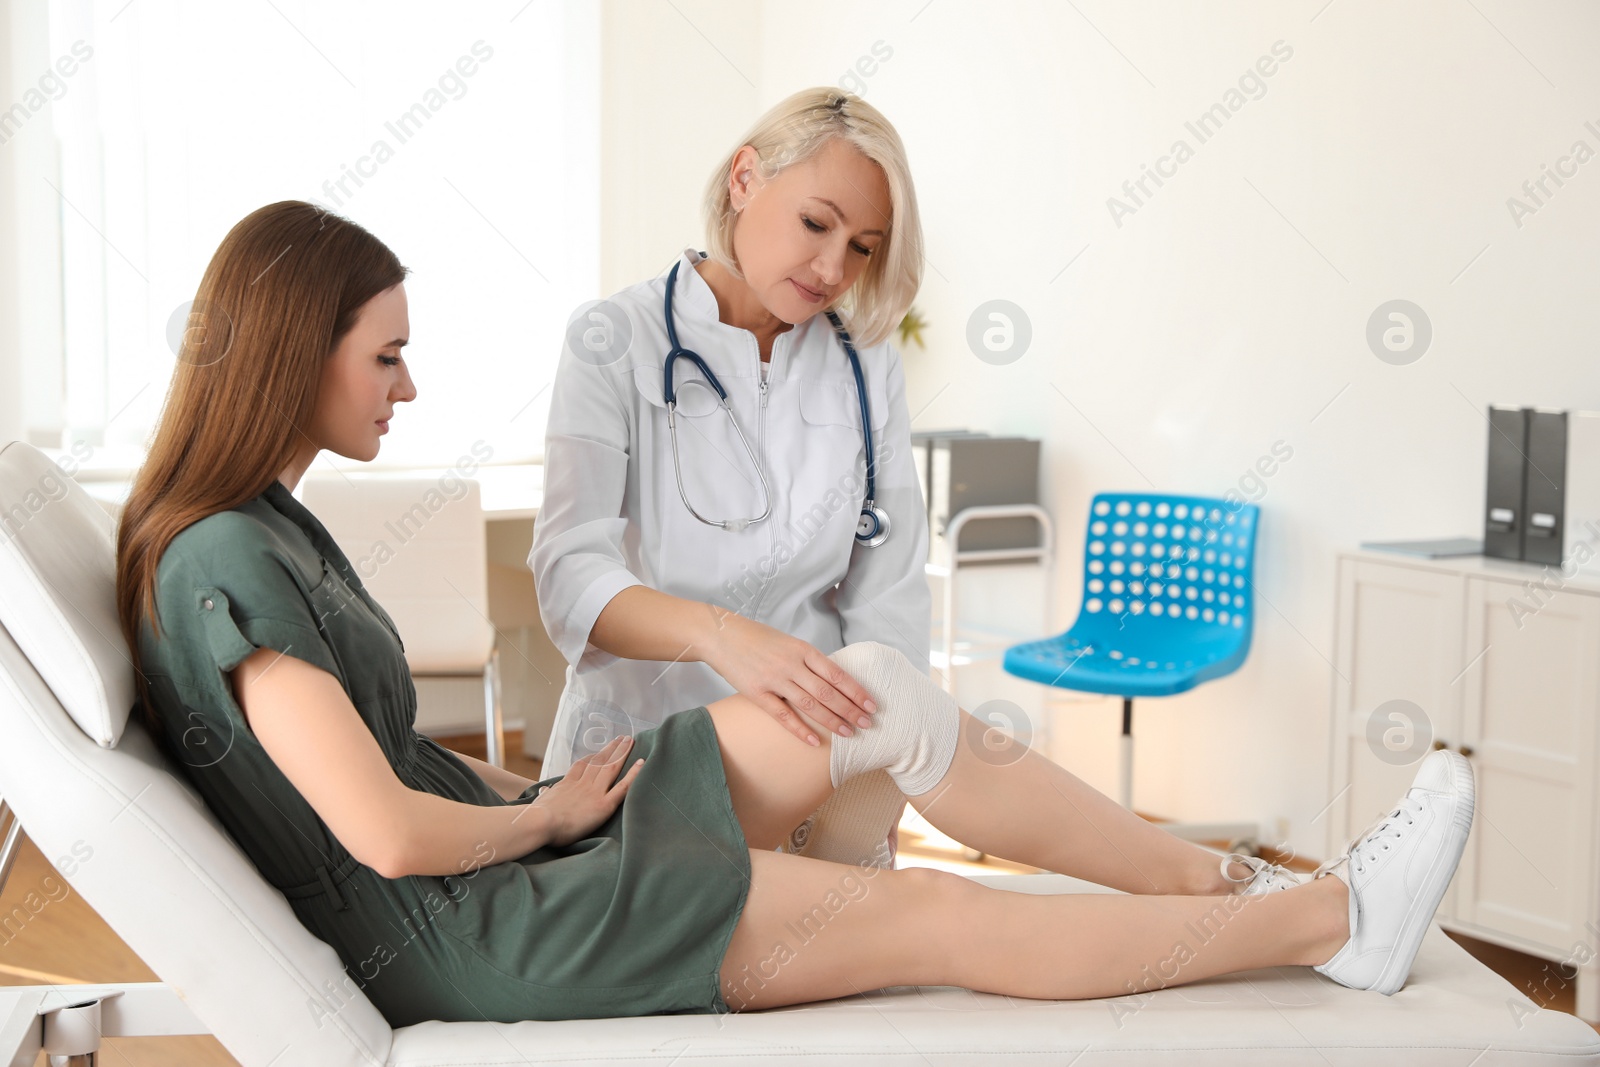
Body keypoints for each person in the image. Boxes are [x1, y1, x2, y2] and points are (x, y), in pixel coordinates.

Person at [114, 200, 1476, 1028]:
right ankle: (1332, 920)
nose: (406, 383)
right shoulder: (219, 562)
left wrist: (537, 796)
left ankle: (1204, 873)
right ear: (298, 350)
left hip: (509, 862)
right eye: (387, 352)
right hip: (482, 925)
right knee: (939, 913)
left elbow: (397, 772)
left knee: (876, 679)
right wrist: (545, 816)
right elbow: (384, 829)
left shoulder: (261, 530)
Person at [529, 88, 934, 869]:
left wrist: (886, 769)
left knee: (888, 949)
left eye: (863, 246)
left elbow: (889, 593)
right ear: (744, 179)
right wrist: (723, 636)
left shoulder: (864, 362)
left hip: (818, 770)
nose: (831, 268)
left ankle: (1206, 891)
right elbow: (570, 574)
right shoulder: (615, 338)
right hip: (641, 765)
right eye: (817, 223)